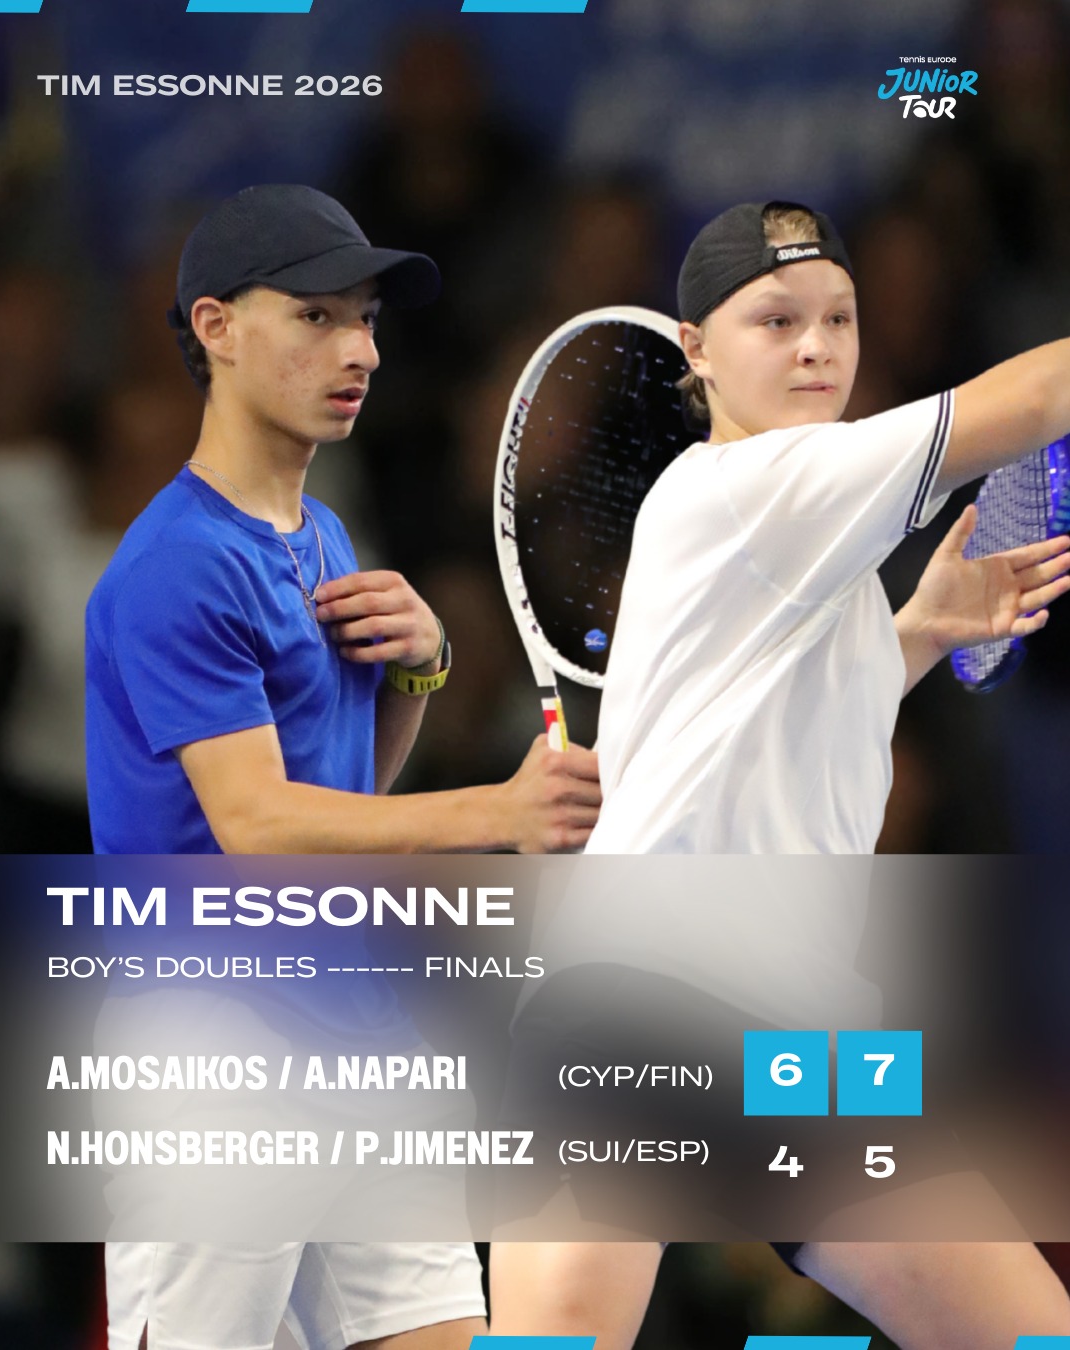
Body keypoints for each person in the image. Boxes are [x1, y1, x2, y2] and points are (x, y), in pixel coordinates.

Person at [489, 200, 1070, 1347]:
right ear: (695, 350)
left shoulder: (813, 549)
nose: (817, 346)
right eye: (777, 319)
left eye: (840, 317)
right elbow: (1045, 397)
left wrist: (912, 633)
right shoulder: (752, 486)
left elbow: (772, 721)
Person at [83, 184, 600, 1350]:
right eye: (315, 317)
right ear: (215, 327)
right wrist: (502, 811)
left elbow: (344, 804)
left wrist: (414, 676)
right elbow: (259, 826)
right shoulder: (176, 565)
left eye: (364, 318)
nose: (358, 349)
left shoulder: (322, 538)